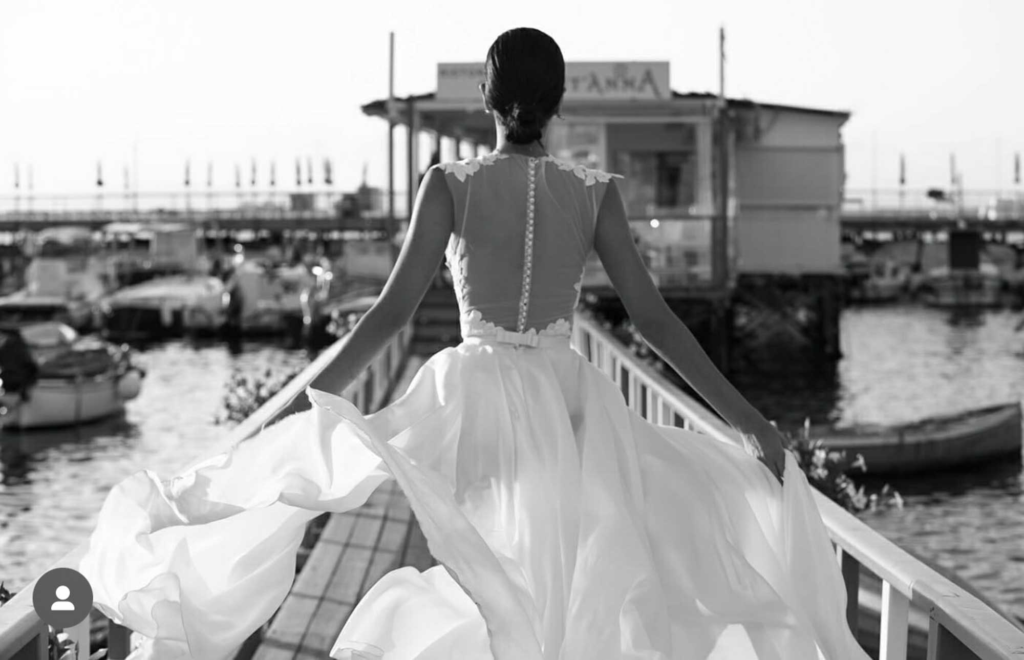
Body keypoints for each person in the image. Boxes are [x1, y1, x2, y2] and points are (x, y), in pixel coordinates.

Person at [77, 27, 868, 660]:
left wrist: (302, 402)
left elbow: (388, 315)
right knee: (567, 572)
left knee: (496, 566)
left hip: (476, 394)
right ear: (555, 105)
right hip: (568, 401)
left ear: (487, 102)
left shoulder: (449, 185)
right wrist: (748, 424)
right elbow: (657, 322)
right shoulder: (594, 194)